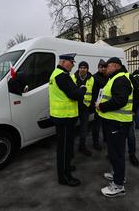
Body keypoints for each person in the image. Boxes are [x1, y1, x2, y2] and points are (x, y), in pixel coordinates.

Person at [96, 57, 133, 197]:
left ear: (116, 66)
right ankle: (118, 175)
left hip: (117, 123)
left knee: (116, 154)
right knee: (114, 152)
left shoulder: (120, 79)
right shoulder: (115, 78)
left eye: (109, 66)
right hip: (114, 121)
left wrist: (101, 106)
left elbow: (120, 100)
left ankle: (118, 186)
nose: (106, 69)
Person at [49, 53, 86, 187]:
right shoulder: (62, 76)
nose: (73, 65)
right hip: (64, 118)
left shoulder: (56, 74)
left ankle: (66, 168)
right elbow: (75, 94)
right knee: (64, 149)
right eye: (71, 62)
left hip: (63, 117)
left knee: (66, 147)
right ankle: (64, 177)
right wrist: (83, 89)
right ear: (64, 62)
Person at [71, 61, 95, 156]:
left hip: (85, 108)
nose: (82, 69)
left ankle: (82, 147)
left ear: (87, 69)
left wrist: (91, 105)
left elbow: (94, 92)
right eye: (81, 67)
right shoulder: (73, 77)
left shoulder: (92, 79)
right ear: (78, 68)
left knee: (84, 129)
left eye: (84, 68)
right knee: (71, 129)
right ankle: (70, 150)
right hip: (74, 106)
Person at [91, 59, 108, 150]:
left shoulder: (108, 77)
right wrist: (94, 103)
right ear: (98, 68)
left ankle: (106, 138)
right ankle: (95, 142)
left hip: (106, 104)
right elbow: (92, 91)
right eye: (101, 67)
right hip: (98, 104)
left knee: (105, 123)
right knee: (97, 125)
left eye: (104, 67)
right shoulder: (94, 77)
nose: (103, 69)